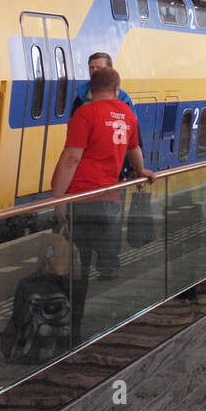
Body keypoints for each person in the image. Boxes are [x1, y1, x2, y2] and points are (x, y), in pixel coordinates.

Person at [48, 68, 156, 338]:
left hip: (82, 200)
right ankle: (98, 325)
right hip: (109, 203)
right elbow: (134, 150)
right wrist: (141, 171)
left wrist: (59, 201)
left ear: (91, 90)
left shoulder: (86, 114)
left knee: (74, 269)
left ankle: (71, 329)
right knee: (95, 264)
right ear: (117, 89)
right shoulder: (127, 115)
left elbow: (72, 158)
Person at [71, 51, 135, 276]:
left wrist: (133, 170)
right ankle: (82, 267)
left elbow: (132, 141)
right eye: (91, 68)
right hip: (86, 177)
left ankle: (108, 265)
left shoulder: (124, 101)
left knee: (111, 223)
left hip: (114, 173)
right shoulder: (80, 97)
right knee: (88, 223)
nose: (94, 72)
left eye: (99, 68)